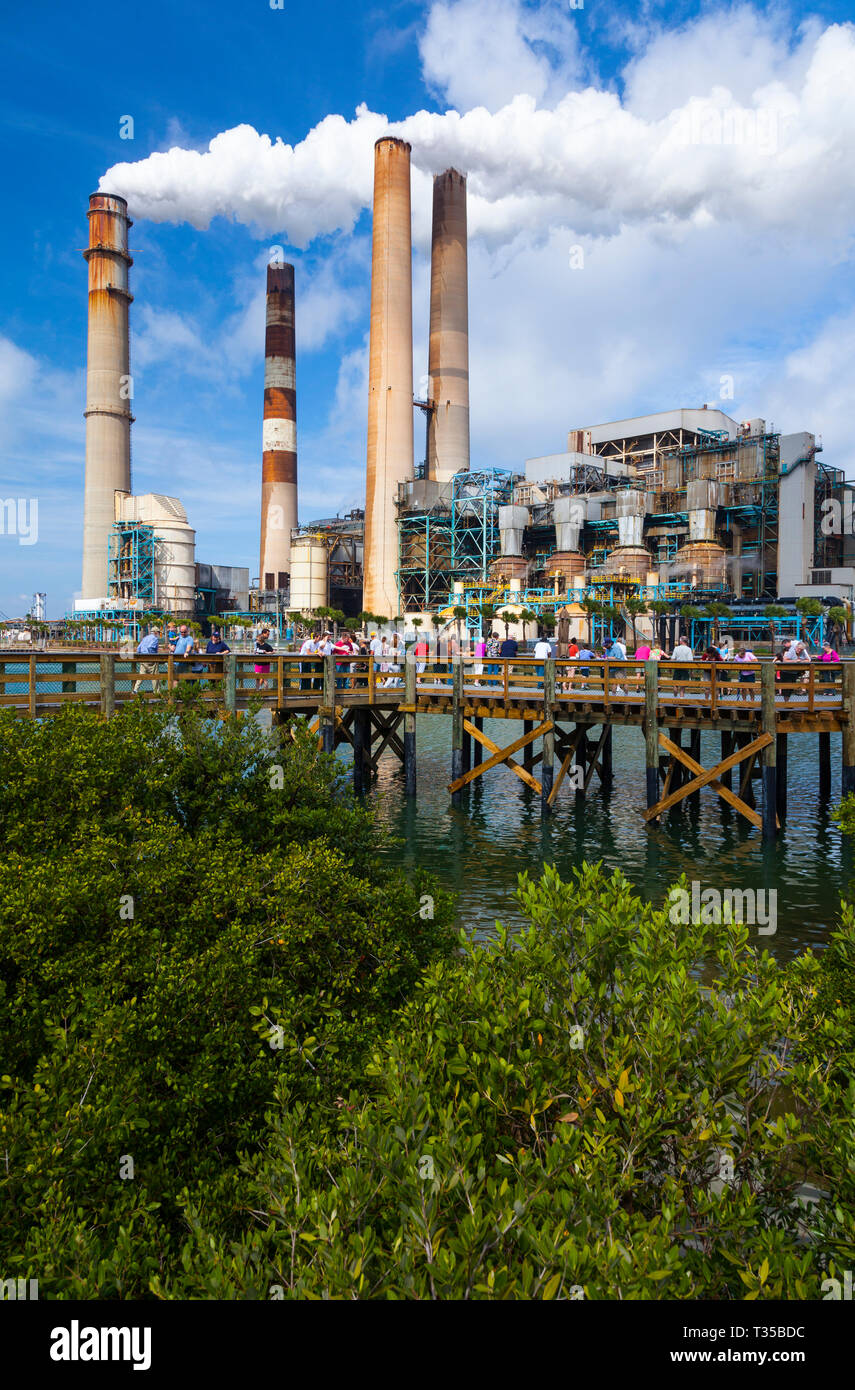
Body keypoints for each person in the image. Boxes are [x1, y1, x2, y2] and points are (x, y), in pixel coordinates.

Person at [132, 625, 162, 695]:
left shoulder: (145, 638)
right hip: (151, 659)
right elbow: (150, 647)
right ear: (155, 632)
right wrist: (151, 655)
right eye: (158, 632)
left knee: (141, 675)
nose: (158, 634)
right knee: (155, 676)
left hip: (143, 658)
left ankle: (135, 690)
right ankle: (156, 692)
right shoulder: (155, 639)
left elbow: (138, 649)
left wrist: (141, 656)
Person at [670, 633, 694, 699]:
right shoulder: (689, 649)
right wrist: (691, 671)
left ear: (681, 641)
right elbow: (690, 661)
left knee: (675, 683)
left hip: (677, 668)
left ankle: (675, 697)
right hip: (685, 668)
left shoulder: (676, 648)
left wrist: (670, 668)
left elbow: (672, 659)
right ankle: (681, 698)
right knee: (683, 686)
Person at [254, 627, 274, 691]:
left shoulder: (267, 645)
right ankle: (257, 690)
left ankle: (264, 691)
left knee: (264, 678)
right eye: (267, 634)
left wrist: (266, 653)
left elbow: (272, 651)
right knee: (258, 678)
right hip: (258, 663)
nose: (268, 636)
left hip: (265, 663)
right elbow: (254, 651)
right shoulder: (256, 644)